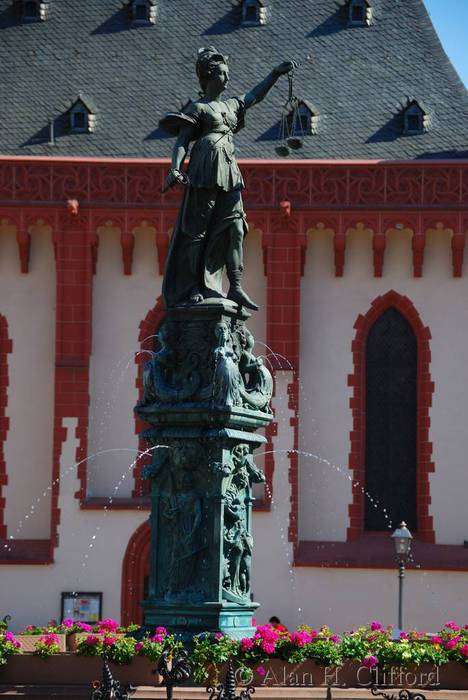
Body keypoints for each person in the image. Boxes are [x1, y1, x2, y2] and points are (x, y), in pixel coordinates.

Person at [160, 47, 297, 310]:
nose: (228, 78)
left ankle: (234, 286)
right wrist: (175, 168)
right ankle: (192, 288)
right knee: (197, 232)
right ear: (210, 76)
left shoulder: (230, 105)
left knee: (236, 227)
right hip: (204, 169)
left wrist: (275, 74)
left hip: (229, 170)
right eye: (223, 73)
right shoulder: (198, 107)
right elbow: (182, 141)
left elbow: (254, 96)